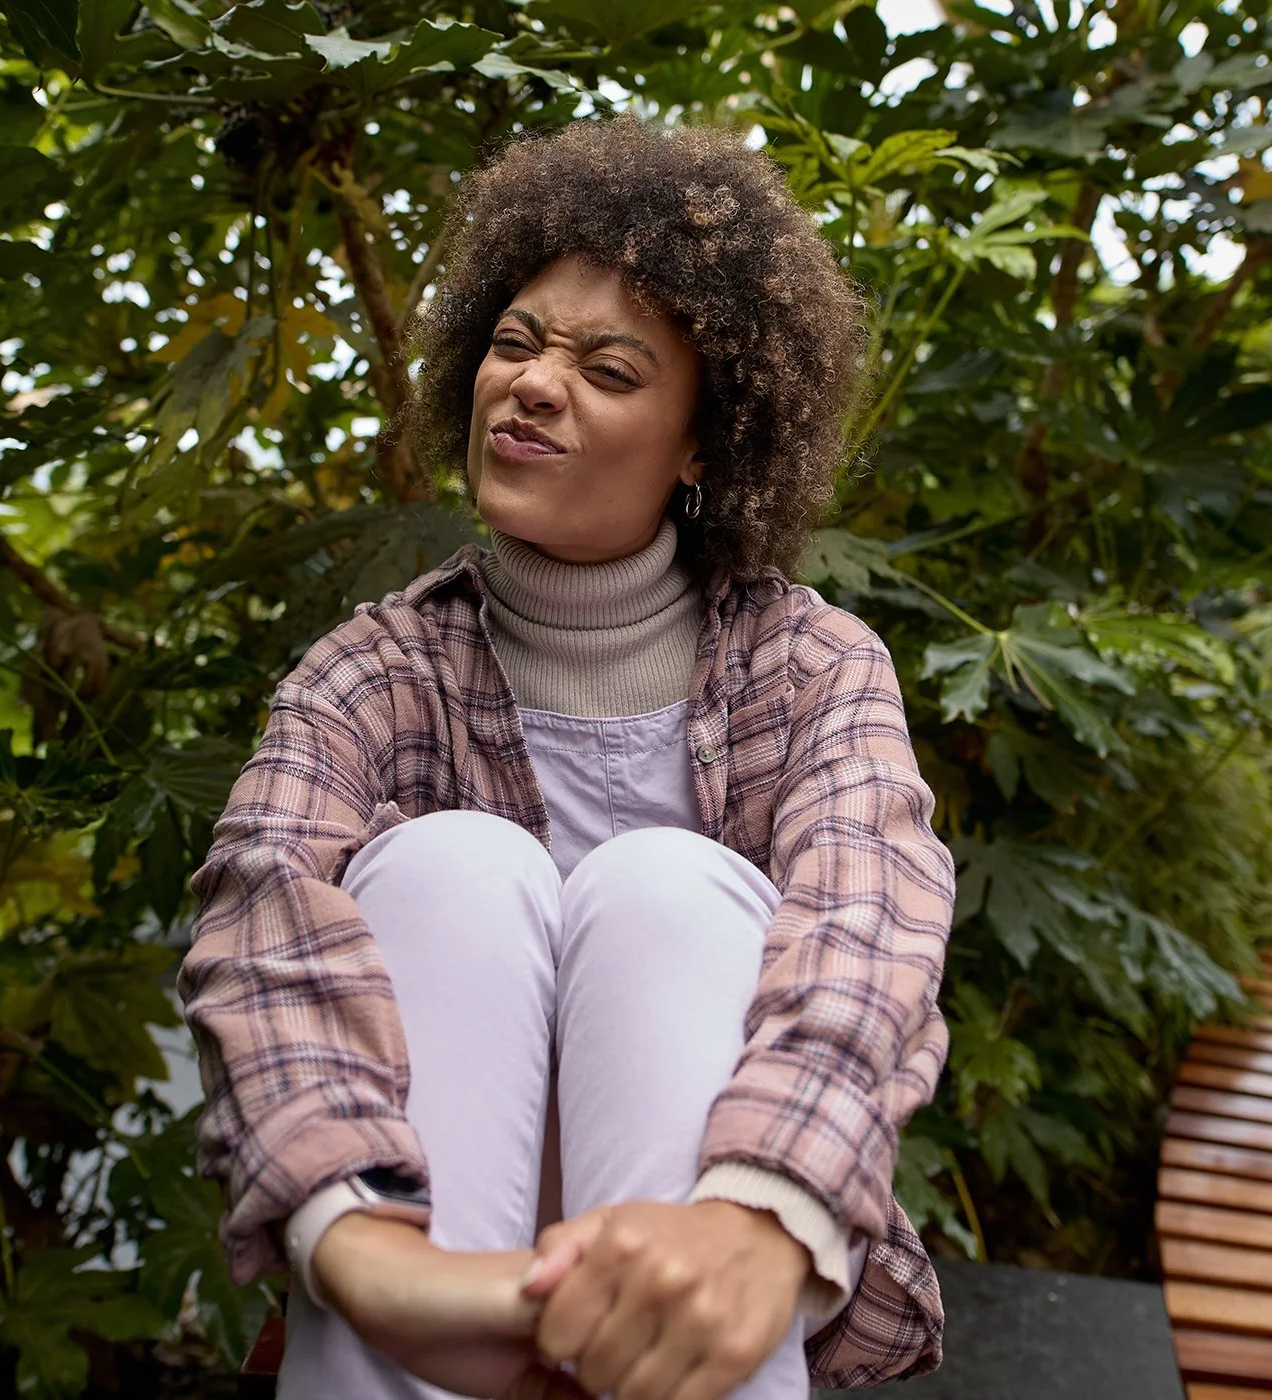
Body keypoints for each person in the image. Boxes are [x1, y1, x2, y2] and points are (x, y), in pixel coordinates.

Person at [180, 116, 955, 1400]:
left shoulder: (815, 669)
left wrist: (757, 1221)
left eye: (610, 368)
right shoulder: (375, 670)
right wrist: (371, 1258)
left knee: (664, 884)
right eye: (515, 344)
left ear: (706, 440)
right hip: (430, 1252)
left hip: (706, 1240)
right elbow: (260, 912)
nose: (534, 384)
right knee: (450, 864)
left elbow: (869, 932)